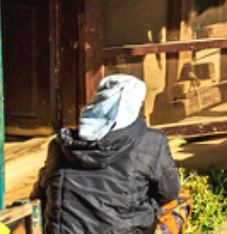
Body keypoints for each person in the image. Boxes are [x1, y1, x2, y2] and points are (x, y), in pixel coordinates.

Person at [42, 75, 181, 234]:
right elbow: (169, 193)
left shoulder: (62, 144)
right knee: (179, 201)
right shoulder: (152, 142)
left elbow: (44, 188)